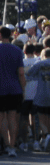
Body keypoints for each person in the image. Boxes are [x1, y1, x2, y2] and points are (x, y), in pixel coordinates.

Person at [0, 25, 26, 157]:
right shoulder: (17, 50)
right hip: (15, 87)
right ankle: (12, 146)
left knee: (2, 117)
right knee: (13, 118)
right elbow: (21, 73)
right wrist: (23, 89)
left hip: (1, 88)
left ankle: (6, 143)